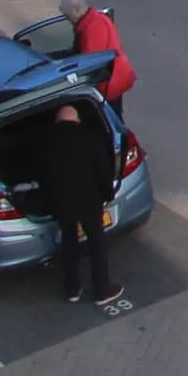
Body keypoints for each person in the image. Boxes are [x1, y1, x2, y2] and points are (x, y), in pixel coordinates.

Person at [24, 98, 119, 305]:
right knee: (97, 242)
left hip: (61, 203)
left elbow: (39, 174)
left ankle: (72, 289)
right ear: (77, 120)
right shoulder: (90, 138)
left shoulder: (45, 143)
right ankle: (101, 290)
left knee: (69, 241)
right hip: (89, 201)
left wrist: (47, 199)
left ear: (57, 121)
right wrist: (107, 194)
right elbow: (102, 170)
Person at [60, 0, 136, 114]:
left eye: (67, 15)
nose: (67, 19)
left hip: (108, 85)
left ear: (76, 11)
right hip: (116, 76)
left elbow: (90, 64)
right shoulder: (99, 18)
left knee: (110, 114)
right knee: (115, 112)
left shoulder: (90, 30)